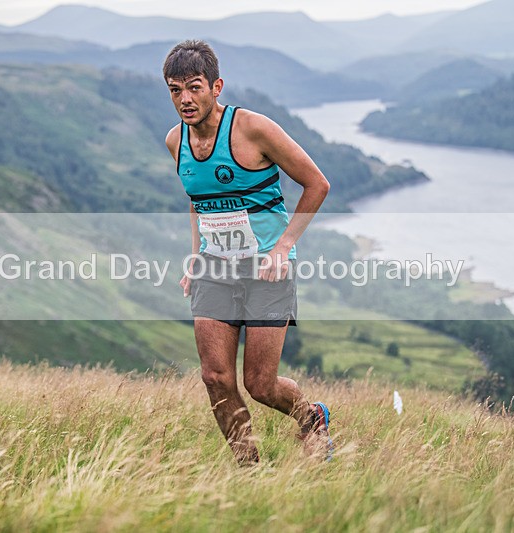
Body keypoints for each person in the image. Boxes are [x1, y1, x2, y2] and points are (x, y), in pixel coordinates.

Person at [162, 40, 332, 464]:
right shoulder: (175, 141)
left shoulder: (253, 129)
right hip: (216, 269)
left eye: (194, 87)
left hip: (267, 272)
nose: (185, 99)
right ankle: (250, 472)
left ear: (216, 86)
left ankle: (312, 419)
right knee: (215, 377)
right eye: (175, 89)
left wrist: (285, 245)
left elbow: (317, 184)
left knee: (260, 384)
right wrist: (197, 253)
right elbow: (198, 199)